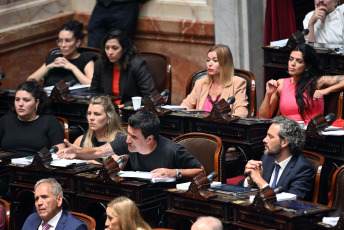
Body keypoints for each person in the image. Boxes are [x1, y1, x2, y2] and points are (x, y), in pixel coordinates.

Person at [57, 111, 204, 180]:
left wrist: (175, 172)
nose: (128, 140)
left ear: (149, 139)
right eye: (128, 134)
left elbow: (201, 171)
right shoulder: (126, 143)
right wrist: (77, 153)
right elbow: (98, 151)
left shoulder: (172, 150)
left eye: (134, 137)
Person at [259, 44, 344, 125]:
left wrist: (326, 91)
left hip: (312, 135)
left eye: (299, 61)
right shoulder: (281, 84)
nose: (292, 64)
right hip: (287, 133)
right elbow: (263, 117)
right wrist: (268, 94)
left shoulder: (317, 82)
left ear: (307, 67)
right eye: (291, 59)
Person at [240, 116, 315, 201]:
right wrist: (250, 181)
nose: (264, 140)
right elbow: (239, 190)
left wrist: (259, 180)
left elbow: (291, 203)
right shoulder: (267, 158)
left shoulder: (303, 169)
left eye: (270, 137)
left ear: (284, 142)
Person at [90, 29, 155, 107]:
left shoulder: (136, 65)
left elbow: (150, 96)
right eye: (107, 48)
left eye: (115, 48)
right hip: (106, 111)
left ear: (124, 49)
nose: (110, 52)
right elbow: (94, 93)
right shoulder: (100, 64)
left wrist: (125, 106)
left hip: (129, 111)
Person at [0, 80, 65, 158]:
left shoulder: (50, 122)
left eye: (26, 100)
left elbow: (60, 152)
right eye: (17, 99)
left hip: (36, 167)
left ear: (37, 102)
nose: (20, 104)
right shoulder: (5, 120)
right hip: (7, 166)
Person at [181, 44, 248, 117]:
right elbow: (183, 107)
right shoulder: (200, 83)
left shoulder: (238, 83)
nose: (209, 64)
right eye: (208, 60)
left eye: (215, 60)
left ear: (225, 63)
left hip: (224, 127)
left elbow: (241, 113)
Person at [27, 20, 97, 86]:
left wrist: (73, 68)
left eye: (68, 41)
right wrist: (48, 67)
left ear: (77, 42)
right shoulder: (53, 59)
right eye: (60, 41)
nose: (63, 45)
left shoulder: (85, 59)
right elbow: (29, 83)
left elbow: (92, 85)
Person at [73, 95, 126, 164]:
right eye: (89, 113)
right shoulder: (80, 140)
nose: (91, 118)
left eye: (97, 114)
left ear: (109, 118)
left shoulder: (121, 141)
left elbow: (113, 169)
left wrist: (88, 162)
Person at [22, 178, 86, 230]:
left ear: (59, 200)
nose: (39, 203)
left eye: (44, 197)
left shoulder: (75, 227)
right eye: (36, 199)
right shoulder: (32, 218)